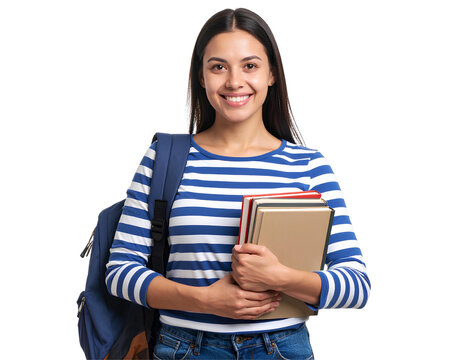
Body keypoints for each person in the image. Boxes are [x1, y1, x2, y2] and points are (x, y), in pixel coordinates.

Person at [105, 8, 370, 359]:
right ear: (201, 76)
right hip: (183, 347)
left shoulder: (308, 166)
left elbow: (356, 285)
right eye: (218, 67)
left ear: (271, 73)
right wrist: (203, 300)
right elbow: (120, 271)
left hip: (281, 349)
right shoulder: (164, 158)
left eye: (250, 65)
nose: (233, 81)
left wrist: (280, 277)